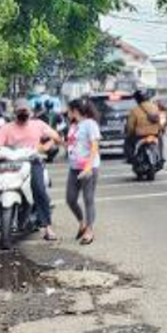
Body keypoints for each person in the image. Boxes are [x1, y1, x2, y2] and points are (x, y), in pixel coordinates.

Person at [0, 104, 61, 243]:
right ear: (15, 113)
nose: (23, 113)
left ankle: (47, 227)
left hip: (32, 161)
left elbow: (56, 137)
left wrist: (46, 146)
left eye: (25, 111)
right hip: (10, 162)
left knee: (39, 189)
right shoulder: (7, 128)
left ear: (30, 113)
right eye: (20, 111)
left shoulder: (38, 125)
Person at [64, 99, 101, 245]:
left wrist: (88, 166)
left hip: (89, 167)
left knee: (88, 199)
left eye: (68, 110)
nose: (67, 113)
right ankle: (82, 223)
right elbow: (72, 144)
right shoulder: (74, 125)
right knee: (70, 199)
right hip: (74, 167)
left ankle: (90, 231)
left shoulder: (90, 124)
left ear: (75, 110)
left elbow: (94, 146)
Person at [126, 89, 166, 164]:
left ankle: (131, 158)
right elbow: (162, 120)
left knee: (128, 142)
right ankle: (161, 157)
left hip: (140, 135)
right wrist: (161, 129)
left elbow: (130, 126)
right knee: (161, 140)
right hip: (155, 133)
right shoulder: (155, 107)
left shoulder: (134, 110)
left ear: (137, 99)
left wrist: (129, 132)